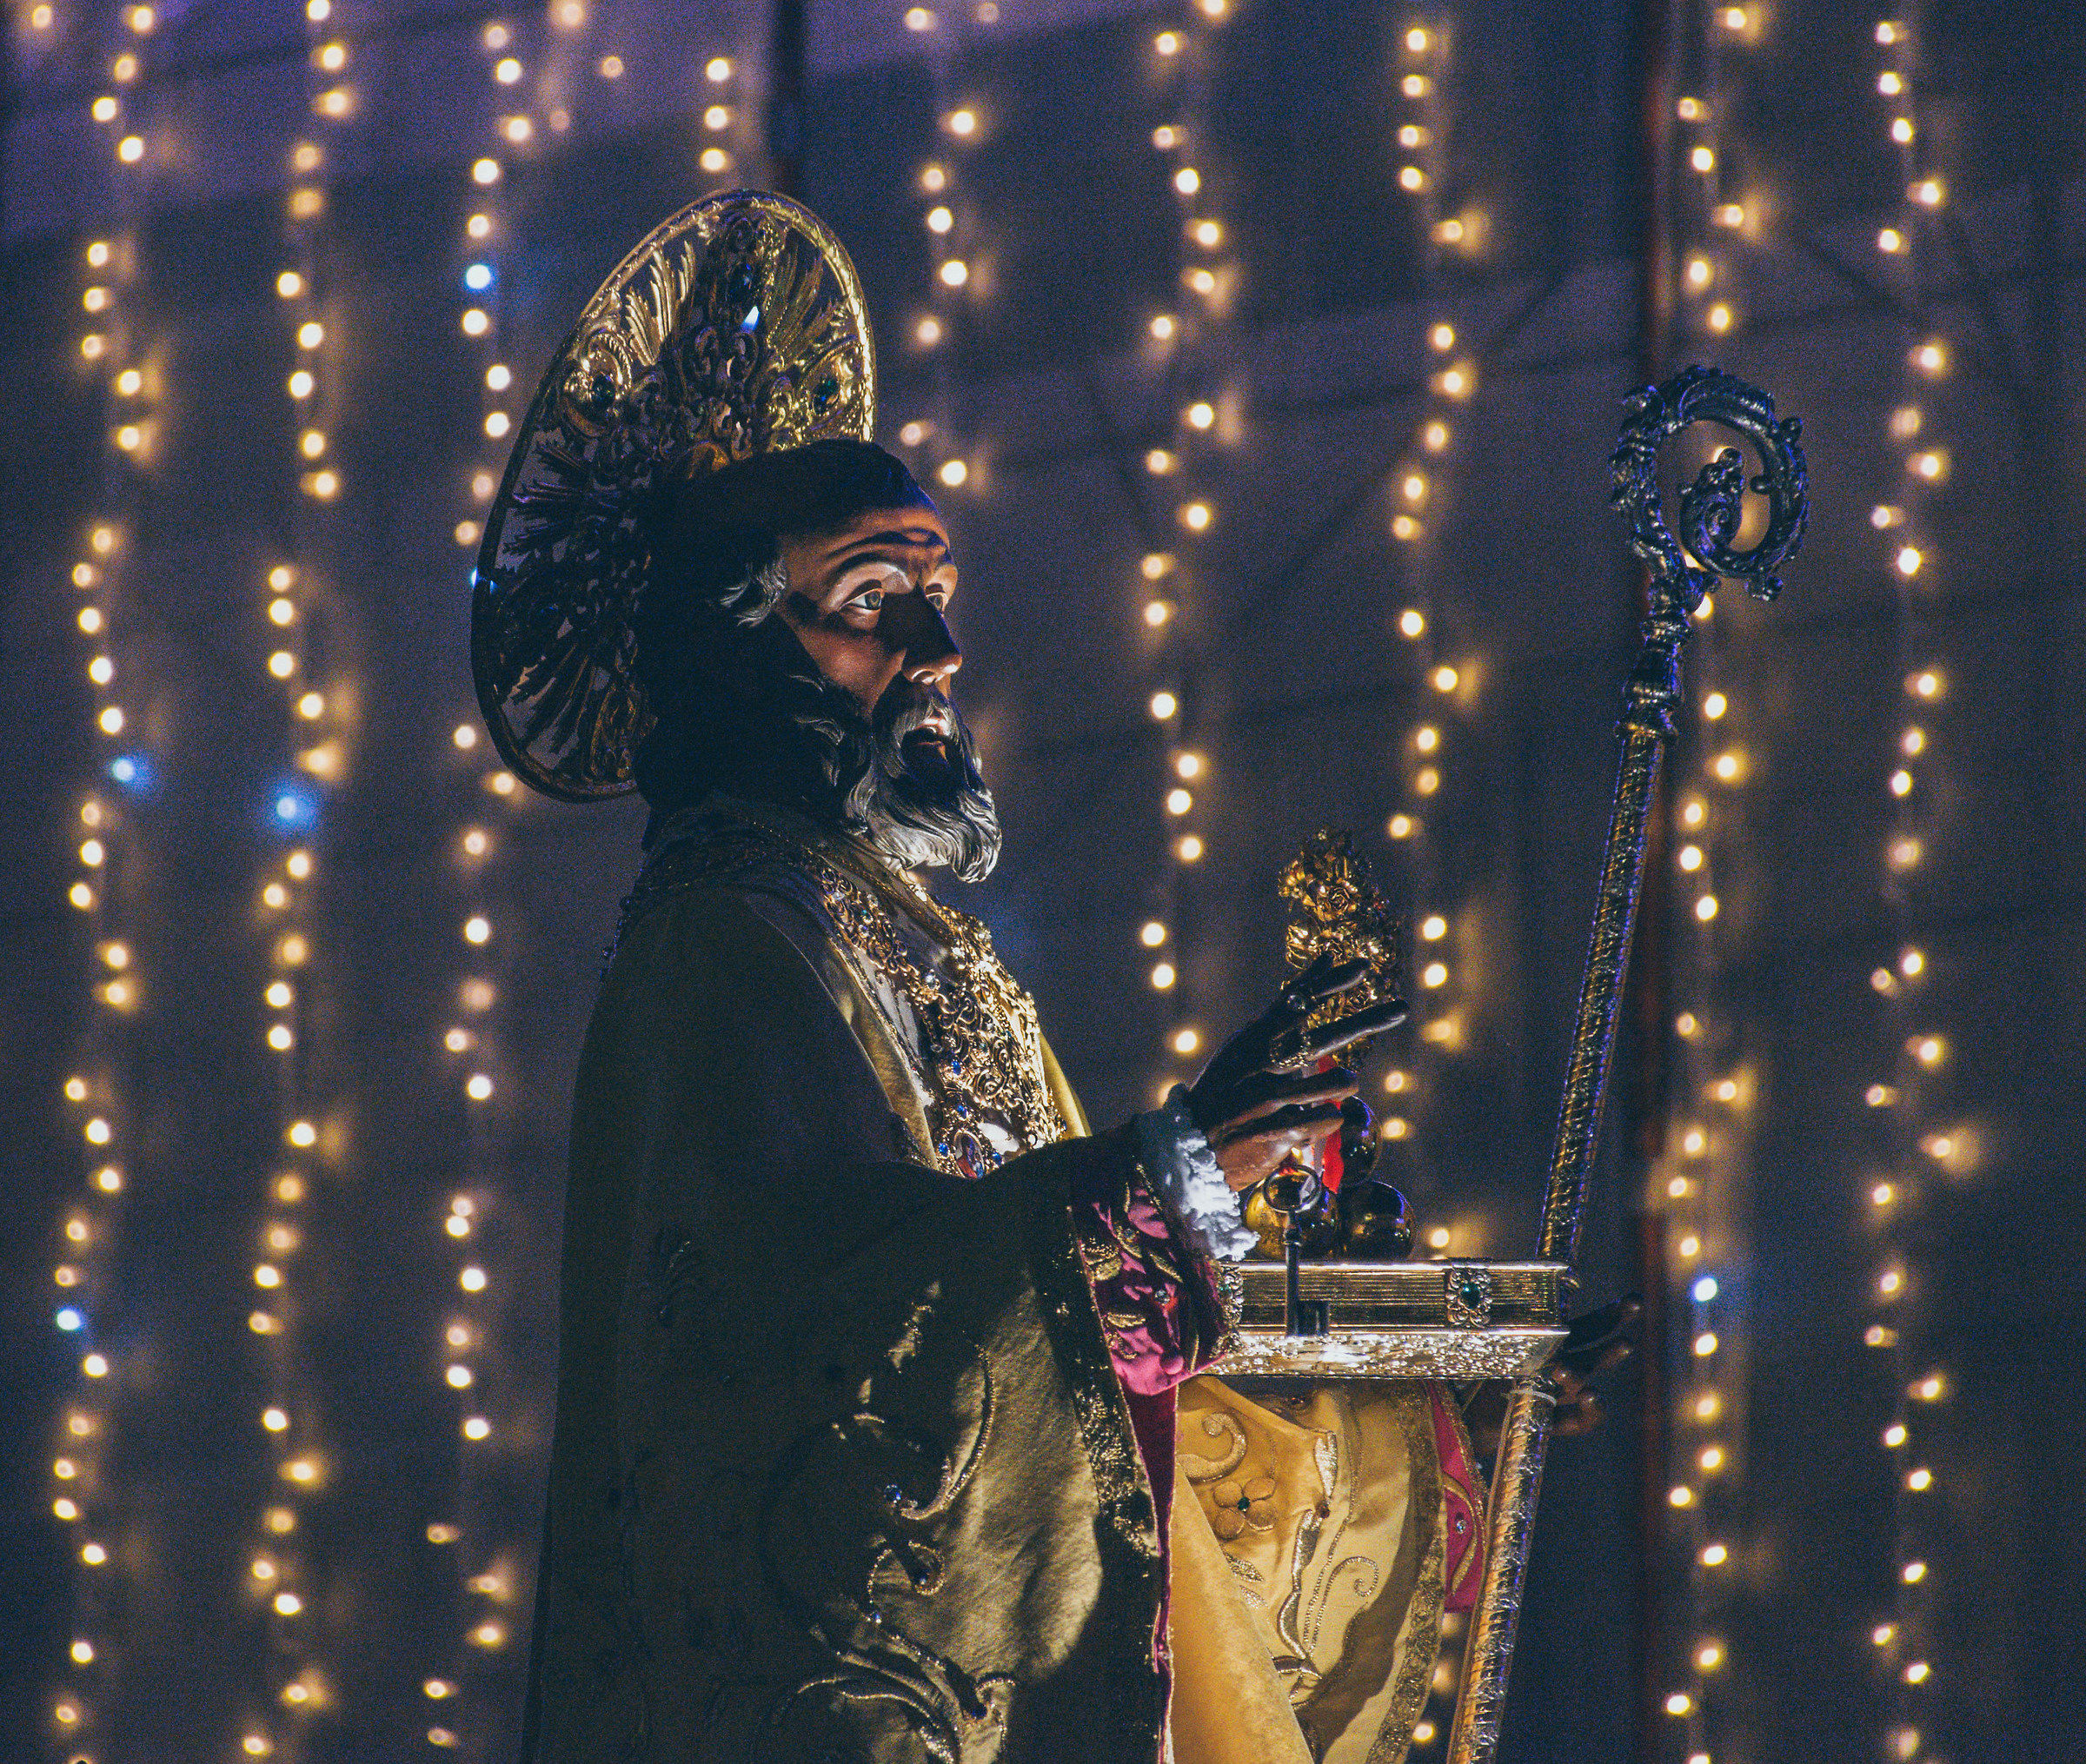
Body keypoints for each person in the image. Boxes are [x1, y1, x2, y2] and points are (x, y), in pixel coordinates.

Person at [474, 192, 1620, 1764]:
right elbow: (808, 1370)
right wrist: (1159, 1189)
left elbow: (1105, 1392)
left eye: (933, 589)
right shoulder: (719, 942)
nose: (939, 646)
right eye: (869, 601)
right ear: (737, 651)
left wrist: (1412, 1397)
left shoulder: (911, 937)